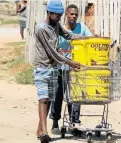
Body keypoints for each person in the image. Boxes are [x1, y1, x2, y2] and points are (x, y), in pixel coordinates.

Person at [33, 1, 83, 143]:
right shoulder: (41, 29)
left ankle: (39, 130)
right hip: (42, 68)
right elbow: (52, 51)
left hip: (53, 68)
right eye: (58, 15)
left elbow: (68, 34)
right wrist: (69, 62)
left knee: (49, 100)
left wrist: (85, 38)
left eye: (61, 15)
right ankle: (44, 133)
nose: (60, 18)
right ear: (50, 13)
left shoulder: (56, 25)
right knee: (43, 99)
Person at [49, 4, 93, 134]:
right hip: (61, 66)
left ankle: (73, 123)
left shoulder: (82, 28)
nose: (73, 16)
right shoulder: (60, 29)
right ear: (66, 15)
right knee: (58, 95)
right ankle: (55, 122)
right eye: (71, 14)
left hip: (76, 67)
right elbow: (53, 47)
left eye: (76, 14)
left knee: (75, 95)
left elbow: (90, 39)